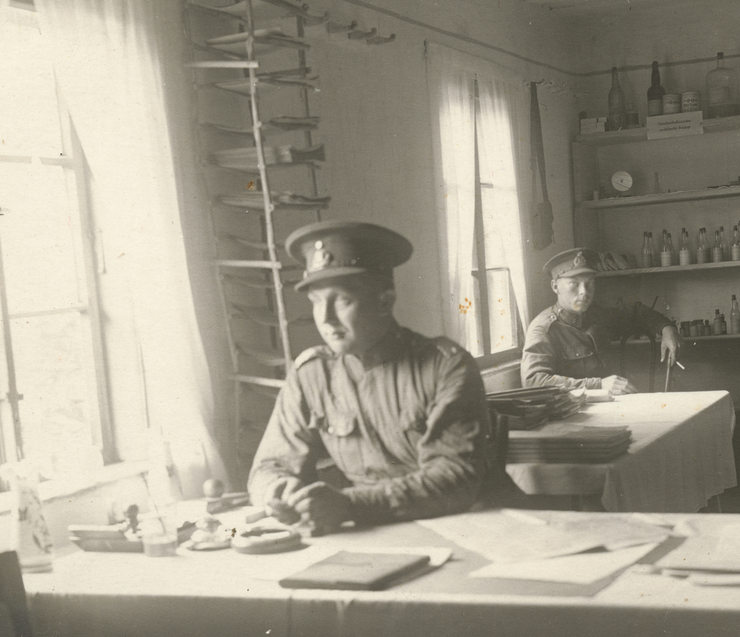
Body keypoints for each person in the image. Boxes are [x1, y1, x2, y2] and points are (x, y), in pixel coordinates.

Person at [247, 221, 519, 534]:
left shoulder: (444, 366)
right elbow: (269, 466)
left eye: (342, 300)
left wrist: (350, 505)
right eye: (317, 301)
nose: (326, 319)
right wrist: (279, 491)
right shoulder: (310, 375)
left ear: (385, 301)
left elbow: (454, 478)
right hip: (380, 529)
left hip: (481, 522)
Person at [520, 247, 681, 394]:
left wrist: (667, 328)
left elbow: (636, 312)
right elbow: (534, 382)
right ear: (555, 287)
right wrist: (598, 385)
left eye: (590, 284)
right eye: (574, 284)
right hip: (572, 413)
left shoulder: (595, 315)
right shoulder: (544, 329)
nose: (584, 292)